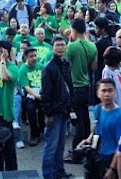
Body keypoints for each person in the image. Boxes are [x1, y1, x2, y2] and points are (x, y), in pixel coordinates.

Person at [78, 78, 121, 179]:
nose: (107, 94)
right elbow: (95, 131)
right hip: (96, 157)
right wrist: (87, 140)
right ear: (98, 93)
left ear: (115, 93)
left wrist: (112, 169)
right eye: (103, 91)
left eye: (110, 90)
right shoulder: (97, 109)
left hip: (110, 159)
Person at [65, 18, 97, 164]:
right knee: (84, 119)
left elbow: (64, 64)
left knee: (78, 121)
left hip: (75, 87)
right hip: (86, 86)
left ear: (74, 30)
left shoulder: (71, 47)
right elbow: (94, 67)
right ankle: (85, 149)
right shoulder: (92, 46)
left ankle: (76, 152)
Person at [41, 36, 73, 179]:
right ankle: (47, 175)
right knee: (51, 147)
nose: (60, 47)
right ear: (52, 48)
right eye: (57, 45)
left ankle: (59, 172)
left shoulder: (66, 64)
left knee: (61, 145)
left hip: (64, 110)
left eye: (62, 45)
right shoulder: (49, 68)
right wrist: (49, 113)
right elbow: (45, 93)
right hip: (54, 112)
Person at [0, 40, 19, 170]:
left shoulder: (13, 67)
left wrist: (3, 61)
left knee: (8, 149)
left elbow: (5, 78)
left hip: (5, 113)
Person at [18, 47, 44, 146]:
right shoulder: (23, 70)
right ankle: (34, 134)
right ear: (25, 58)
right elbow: (26, 87)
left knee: (44, 109)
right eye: (31, 56)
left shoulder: (41, 67)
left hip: (42, 92)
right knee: (31, 109)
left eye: (35, 56)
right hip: (30, 95)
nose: (34, 58)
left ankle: (42, 129)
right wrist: (37, 96)